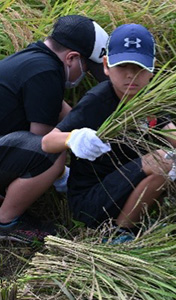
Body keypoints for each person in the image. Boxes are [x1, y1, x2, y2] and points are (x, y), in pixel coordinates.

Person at [41, 24, 176, 236]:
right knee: (163, 161)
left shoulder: (148, 97)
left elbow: (164, 125)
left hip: (124, 187)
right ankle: (119, 233)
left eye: (139, 68)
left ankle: (136, 216)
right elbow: (47, 142)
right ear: (106, 65)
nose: (131, 76)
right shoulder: (97, 101)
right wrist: (73, 138)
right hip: (90, 200)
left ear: (152, 67)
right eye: (122, 66)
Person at [0, 15, 109, 243]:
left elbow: (59, 109)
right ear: (71, 58)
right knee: (53, 154)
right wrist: (63, 174)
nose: (86, 75)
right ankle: (6, 222)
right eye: (88, 69)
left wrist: (100, 132)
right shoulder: (47, 73)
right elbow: (42, 141)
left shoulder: (35, 59)